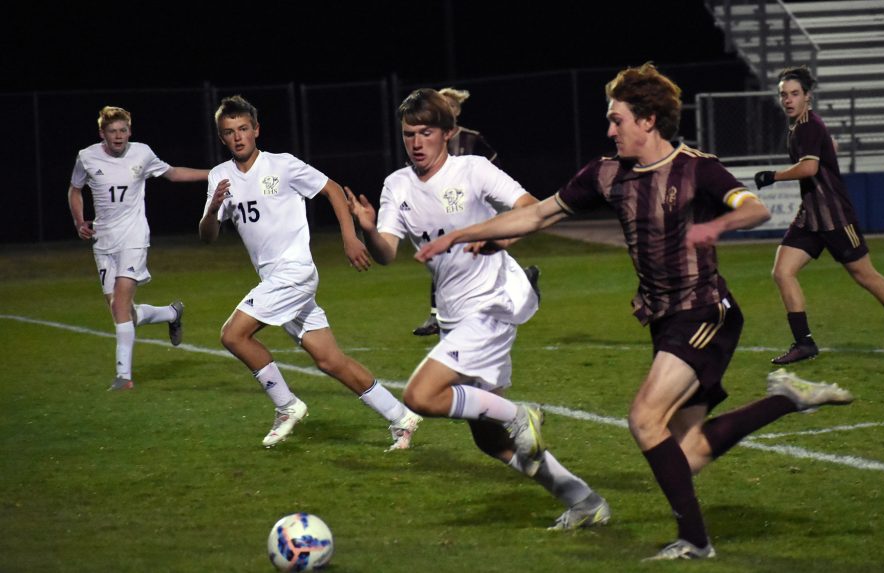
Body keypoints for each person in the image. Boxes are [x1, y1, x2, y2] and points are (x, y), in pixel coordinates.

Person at [415, 63, 856, 560]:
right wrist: (463, 234)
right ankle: (787, 399)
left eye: (617, 119)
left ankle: (695, 542)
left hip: (705, 312)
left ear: (647, 120)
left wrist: (716, 227)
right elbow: (538, 213)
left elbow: (754, 209)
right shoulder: (607, 174)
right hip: (666, 319)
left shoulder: (697, 168)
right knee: (684, 456)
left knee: (644, 419)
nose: (609, 129)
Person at [347, 88, 610, 530]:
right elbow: (387, 252)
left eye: (426, 132)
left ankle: (521, 413)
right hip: (454, 317)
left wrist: (504, 239)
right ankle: (583, 500)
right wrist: (370, 229)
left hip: (492, 304)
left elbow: (530, 207)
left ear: (448, 133)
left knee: (420, 396)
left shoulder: (474, 170)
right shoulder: (397, 185)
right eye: (409, 133)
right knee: (490, 442)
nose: (416, 142)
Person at [198, 95, 421, 450]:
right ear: (221, 137)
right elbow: (207, 236)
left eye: (243, 129)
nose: (238, 137)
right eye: (229, 132)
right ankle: (401, 417)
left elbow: (331, 189)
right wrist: (212, 210)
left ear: (256, 130)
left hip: (294, 271)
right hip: (273, 279)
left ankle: (287, 406)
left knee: (233, 335)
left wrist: (350, 237)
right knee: (330, 360)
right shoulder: (219, 176)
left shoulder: (282, 165)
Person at [753, 66, 884, 365]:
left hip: (835, 216)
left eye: (795, 94)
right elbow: (824, 149)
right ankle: (804, 343)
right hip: (810, 216)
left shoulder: (807, 125)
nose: (788, 99)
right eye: (784, 94)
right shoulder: (800, 125)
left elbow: (809, 168)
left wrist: (773, 175)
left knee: (865, 275)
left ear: (808, 96)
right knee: (782, 272)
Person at [68, 106, 208, 391]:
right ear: (102, 134)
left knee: (120, 305)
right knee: (121, 310)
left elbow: (173, 174)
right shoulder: (86, 157)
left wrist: (214, 172)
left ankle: (123, 377)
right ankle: (171, 313)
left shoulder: (142, 153)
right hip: (104, 241)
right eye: (112, 131)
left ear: (129, 131)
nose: (118, 136)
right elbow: (74, 190)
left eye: (123, 130)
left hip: (134, 237)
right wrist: (79, 221)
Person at [411, 87, 542, 336]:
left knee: (470, 257)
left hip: (473, 208)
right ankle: (439, 315)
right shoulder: (429, 139)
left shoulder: (471, 139)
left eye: (450, 105)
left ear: (457, 110)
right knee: (446, 258)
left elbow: (494, 169)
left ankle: (444, 315)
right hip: (444, 208)